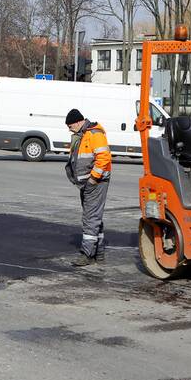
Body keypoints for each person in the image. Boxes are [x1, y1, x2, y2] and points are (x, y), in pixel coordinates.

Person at [64, 108, 112, 267]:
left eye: (70, 126)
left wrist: (93, 179)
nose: (69, 129)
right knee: (94, 216)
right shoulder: (84, 134)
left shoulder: (94, 134)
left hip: (95, 183)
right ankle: (98, 253)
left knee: (90, 218)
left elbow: (103, 158)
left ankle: (86, 254)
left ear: (78, 122)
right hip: (87, 184)